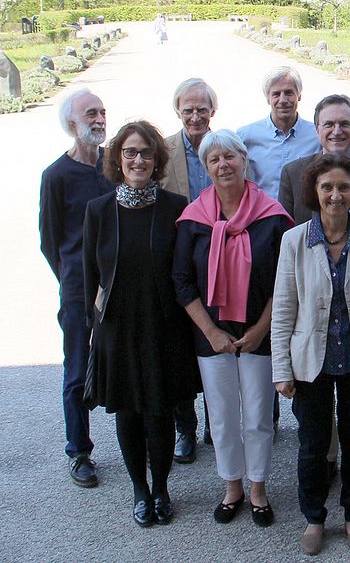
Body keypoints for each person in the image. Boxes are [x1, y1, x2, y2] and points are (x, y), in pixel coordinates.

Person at [272, 155, 350, 555]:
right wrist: (281, 368)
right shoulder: (294, 240)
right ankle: (314, 518)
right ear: (315, 191)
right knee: (312, 445)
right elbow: (283, 309)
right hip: (311, 360)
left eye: (343, 187)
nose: (335, 194)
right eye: (327, 187)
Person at [173, 130, 292, 527]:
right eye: (213, 159)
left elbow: (285, 281)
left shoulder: (271, 217)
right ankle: (232, 486)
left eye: (230, 157)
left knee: (259, 415)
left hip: (259, 333)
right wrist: (210, 332)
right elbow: (182, 281)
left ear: (245, 160)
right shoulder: (194, 220)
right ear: (206, 169)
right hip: (212, 336)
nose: (223, 165)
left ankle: (258, 487)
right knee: (222, 416)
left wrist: (261, 329)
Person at [83, 120, 198, 527]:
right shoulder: (98, 210)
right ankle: (139, 489)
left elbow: (186, 271)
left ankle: (162, 488)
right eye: (130, 152)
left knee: (160, 412)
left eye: (145, 152)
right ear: (117, 158)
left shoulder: (176, 206)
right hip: (117, 328)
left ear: (157, 159)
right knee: (128, 414)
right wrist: (92, 328)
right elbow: (89, 276)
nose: (137, 159)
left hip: (163, 327)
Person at [40, 88, 114, 488]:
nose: (100, 118)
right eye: (91, 113)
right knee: (75, 370)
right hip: (77, 290)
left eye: (102, 111)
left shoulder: (114, 166)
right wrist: (73, 277)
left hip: (118, 284)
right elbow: (49, 241)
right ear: (72, 122)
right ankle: (79, 451)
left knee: (127, 358)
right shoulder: (55, 176)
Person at [161, 77, 219, 463]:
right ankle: (186, 427)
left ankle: (219, 422)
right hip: (177, 260)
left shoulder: (227, 147)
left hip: (223, 261)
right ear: (178, 111)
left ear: (213, 111)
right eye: (188, 109)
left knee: (220, 342)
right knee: (179, 348)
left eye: (202, 109)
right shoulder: (161, 152)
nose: (195, 115)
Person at [279, 94, 350, 225]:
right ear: (317, 130)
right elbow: (285, 232)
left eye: (344, 124)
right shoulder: (293, 174)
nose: (337, 131)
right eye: (329, 124)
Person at [237, 66, 321, 200]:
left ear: (299, 95)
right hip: (263, 216)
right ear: (267, 98)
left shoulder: (317, 135)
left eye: (289, 93)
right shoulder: (245, 137)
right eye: (276, 94)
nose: (283, 100)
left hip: (303, 217)